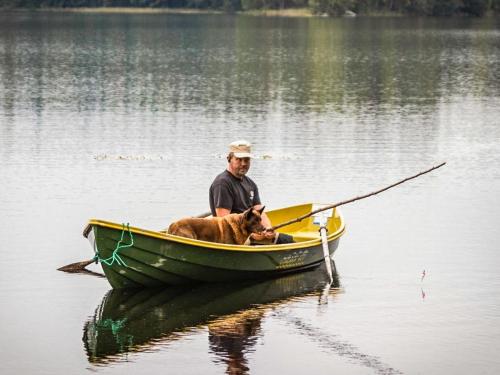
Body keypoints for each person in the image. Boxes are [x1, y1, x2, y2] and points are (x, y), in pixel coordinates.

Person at [209, 140, 294, 244]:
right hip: (233, 237)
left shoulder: (250, 183)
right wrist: (253, 234)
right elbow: (223, 220)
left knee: (285, 239)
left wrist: (268, 228)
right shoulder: (222, 183)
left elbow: (259, 211)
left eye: (247, 160)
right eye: (239, 160)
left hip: (251, 230)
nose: (243, 164)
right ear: (229, 159)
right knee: (286, 241)